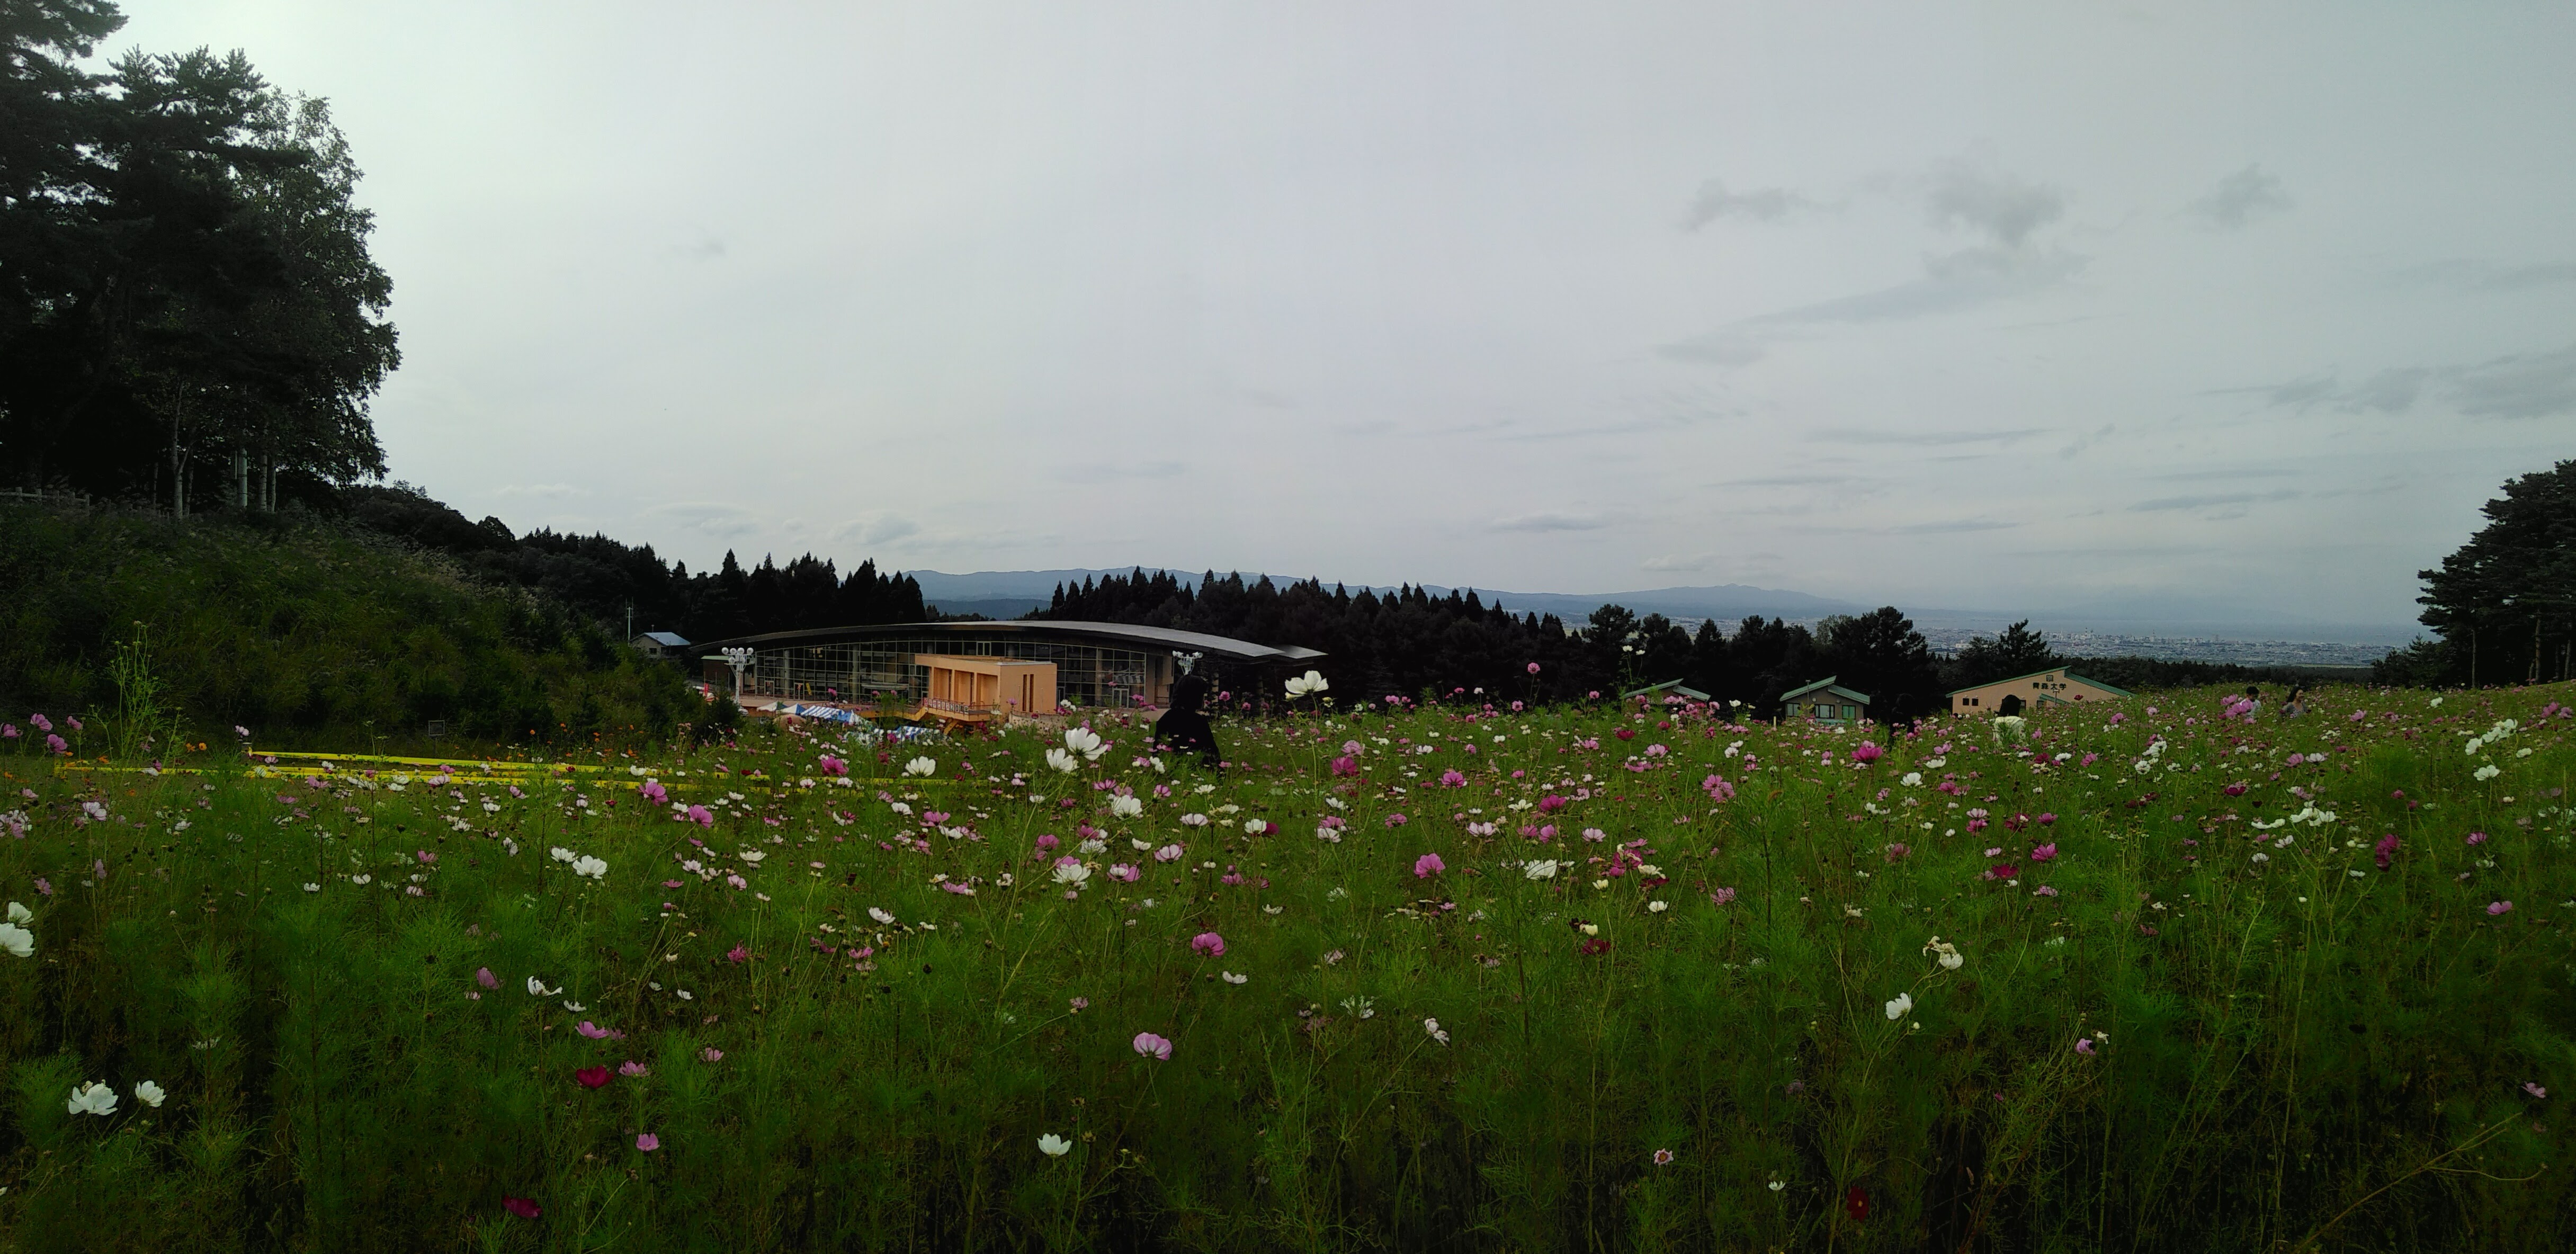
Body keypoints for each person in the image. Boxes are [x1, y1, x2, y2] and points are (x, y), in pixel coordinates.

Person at [1155, 653, 1222, 768]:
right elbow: (1212, 754)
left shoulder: (1166, 718)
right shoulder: (1198, 722)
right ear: (1196, 697)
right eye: (1202, 695)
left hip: (1169, 771)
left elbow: (1157, 752)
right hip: (1194, 771)